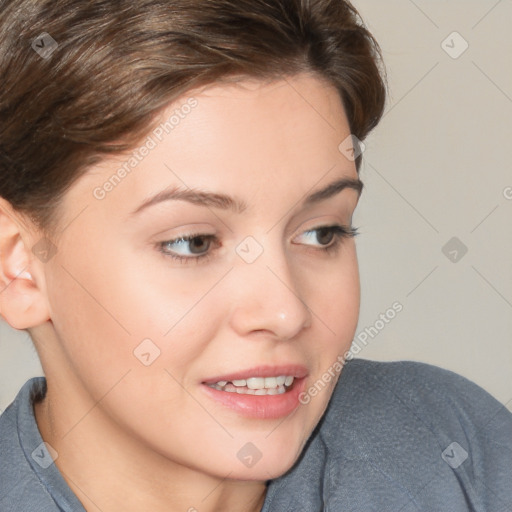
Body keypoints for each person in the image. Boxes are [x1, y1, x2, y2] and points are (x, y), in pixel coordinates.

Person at [0, 1, 510, 511]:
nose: (286, 313)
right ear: (18, 267)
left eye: (322, 233)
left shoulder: (452, 447)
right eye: (193, 242)